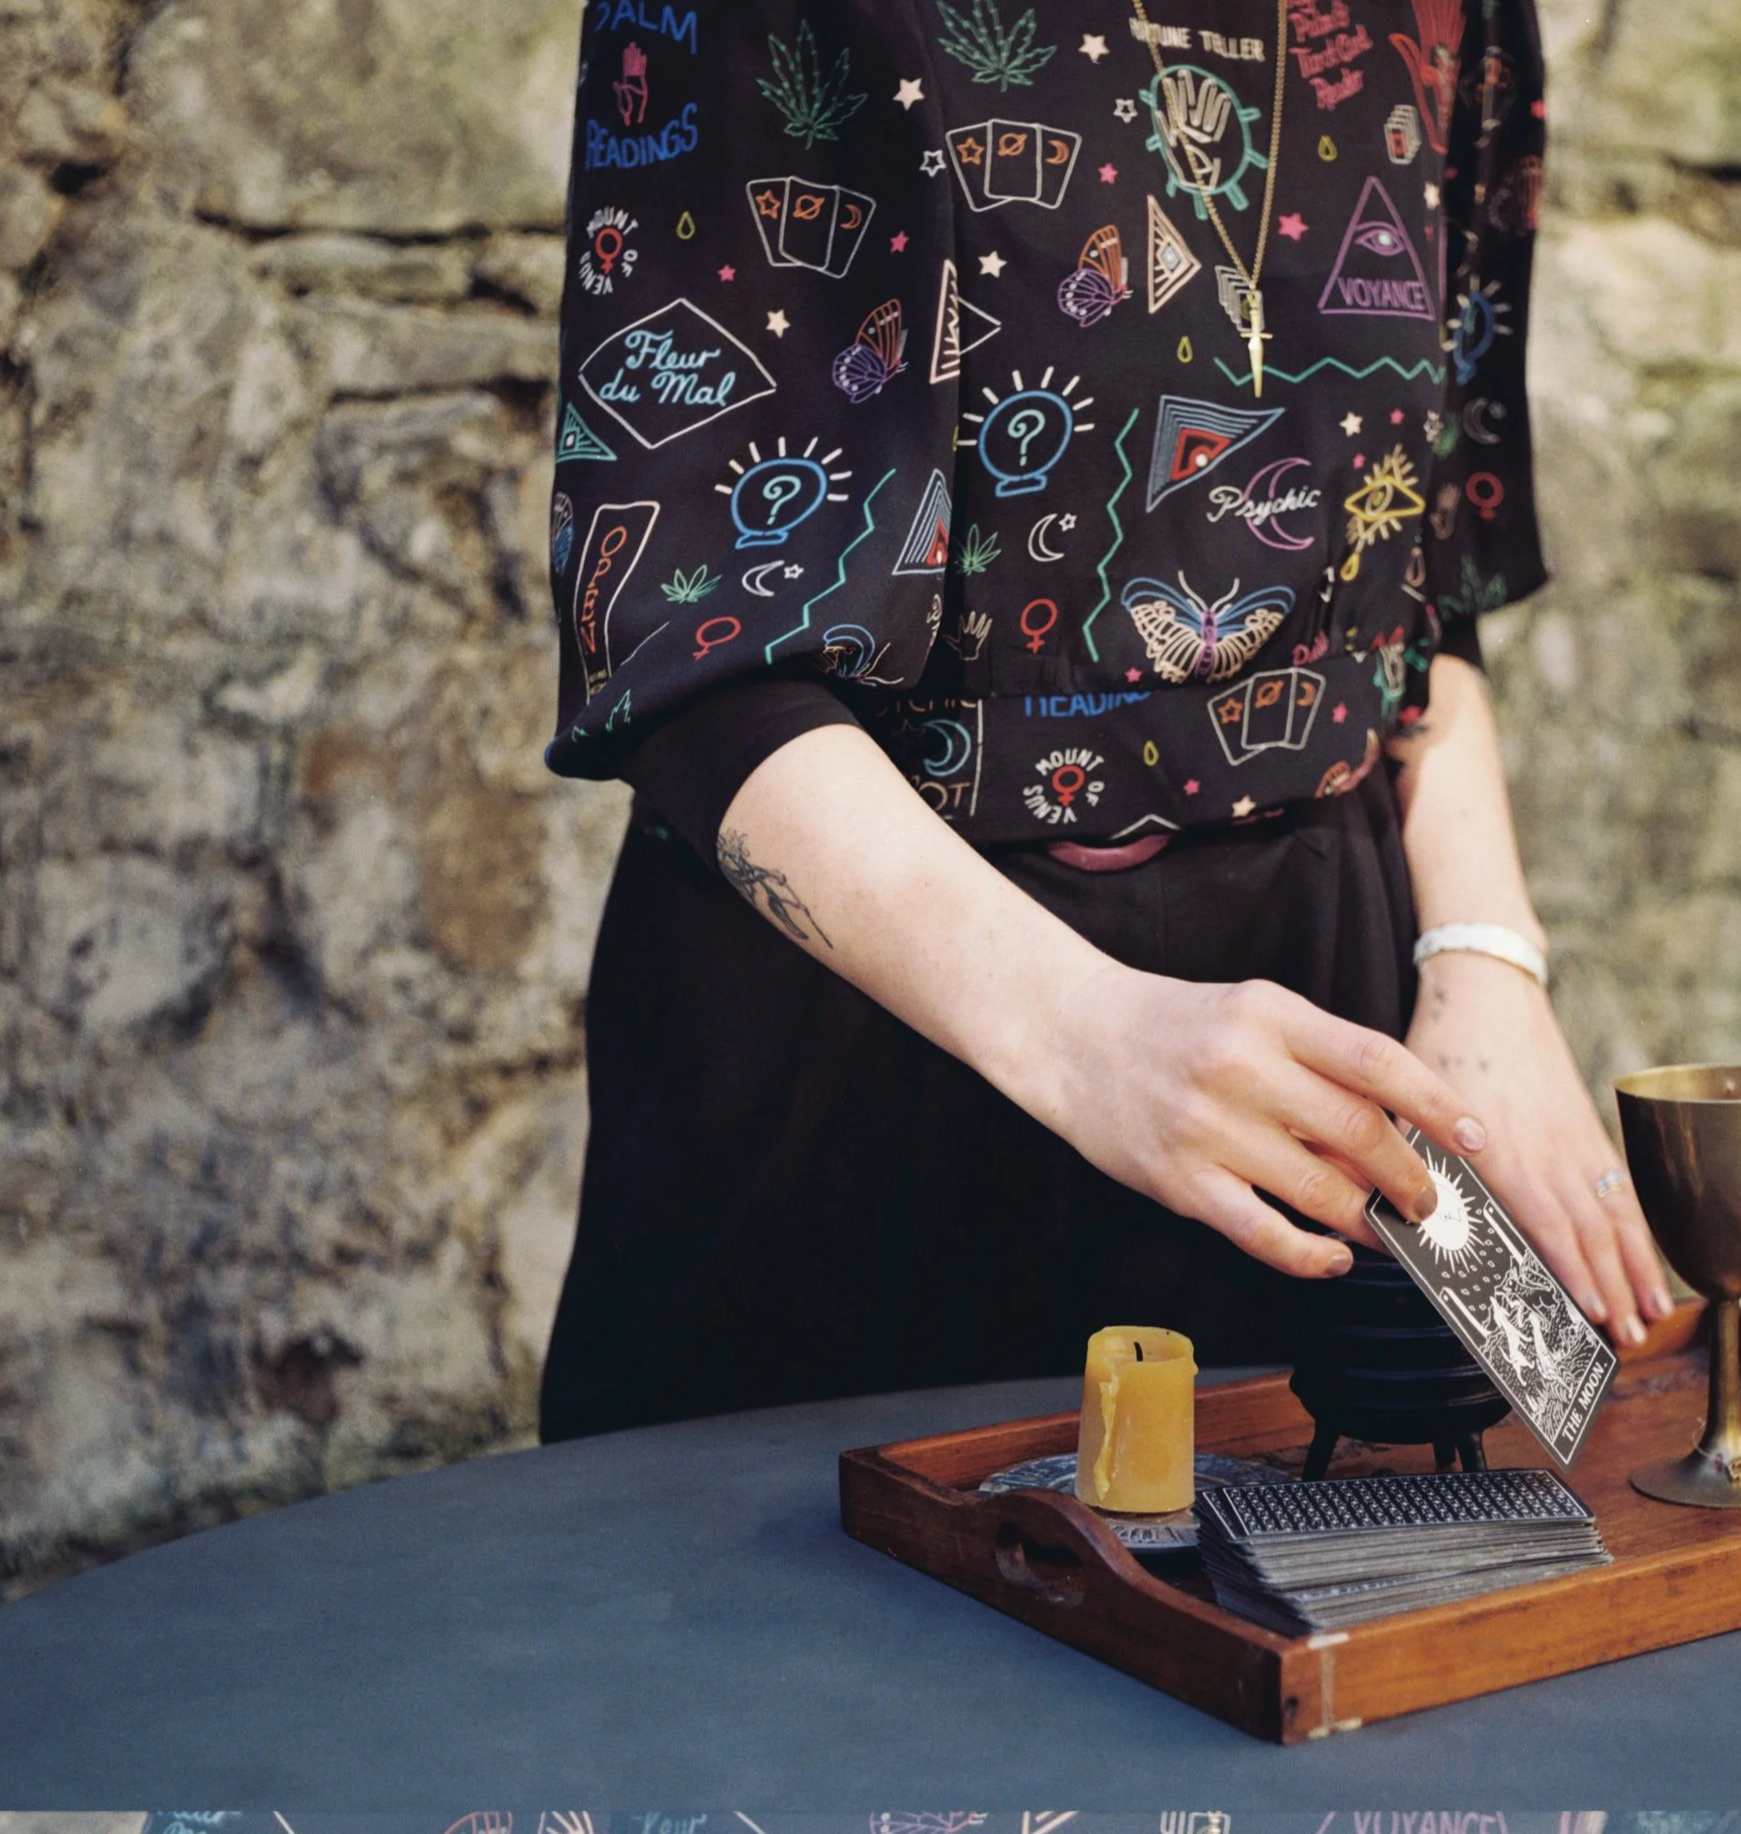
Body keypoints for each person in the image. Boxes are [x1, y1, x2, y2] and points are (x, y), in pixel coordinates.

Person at [535, 0, 1672, 1443]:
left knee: (1369, 1624)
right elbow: (693, 659)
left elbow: (1416, 590)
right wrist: (1092, 1042)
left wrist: (1485, 969)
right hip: (879, 1035)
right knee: (808, 1652)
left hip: (1321, 1011)